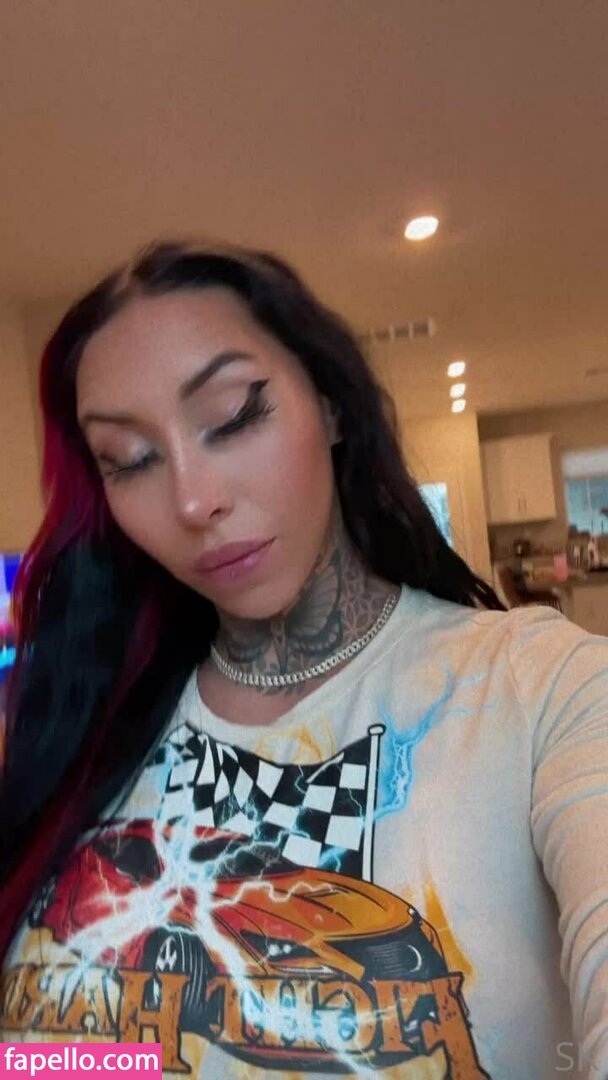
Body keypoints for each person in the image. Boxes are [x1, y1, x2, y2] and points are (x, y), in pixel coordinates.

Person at [0, 241, 606, 1080]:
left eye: (233, 417)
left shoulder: (543, 690)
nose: (193, 500)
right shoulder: (92, 728)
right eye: (129, 461)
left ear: (330, 404)